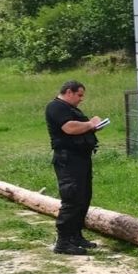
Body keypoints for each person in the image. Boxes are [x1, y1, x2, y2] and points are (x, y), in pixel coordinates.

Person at [45, 80, 101, 255]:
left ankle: (75, 236)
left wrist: (93, 126)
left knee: (83, 197)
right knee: (72, 198)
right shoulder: (56, 107)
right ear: (69, 92)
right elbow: (69, 128)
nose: (81, 99)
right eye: (79, 95)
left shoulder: (71, 109)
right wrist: (91, 124)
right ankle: (62, 242)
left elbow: (80, 128)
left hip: (81, 158)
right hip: (68, 159)